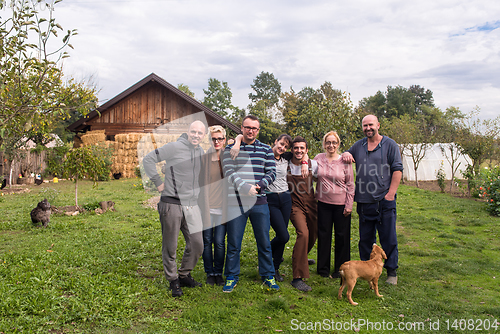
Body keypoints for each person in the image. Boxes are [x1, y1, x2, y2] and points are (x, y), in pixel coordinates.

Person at [142, 120, 206, 297]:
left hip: (191, 204)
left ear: (203, 135)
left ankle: (184, 274)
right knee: (170, 245)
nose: (196, 135)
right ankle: (173, 280)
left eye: (200, 133)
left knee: (197, 243)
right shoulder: (174, 147)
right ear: (188, 131)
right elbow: (148, 159)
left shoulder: (200, 151)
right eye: (193, 131)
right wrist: (158, 182)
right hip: (171, 203)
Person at [343, 115, 403, 285]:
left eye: (370, 125)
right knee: (365, 239)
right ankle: (367, 271)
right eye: (364, 125)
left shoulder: (389, 144)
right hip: (364, 201)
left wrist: (391, 193)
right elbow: (346, 154)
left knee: (388, 238)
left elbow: (397, 169)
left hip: (384, 200)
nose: (368, 128)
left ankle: (391, 271)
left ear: (378, 125)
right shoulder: (359, 145)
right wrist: (347, 153)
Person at [221, 115, 279, 293]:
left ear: (258, 130)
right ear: (242, 128)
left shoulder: (266, 149)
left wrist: (259, 186)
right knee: (234, 242)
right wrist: (244, 187)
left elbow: (271, 172)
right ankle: (231, 276)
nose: (250, 131)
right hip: (236, 203)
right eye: (247, 127)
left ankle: (268, 274)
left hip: (259, 202)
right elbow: (228, 171)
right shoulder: (230, 149)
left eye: (254, 128)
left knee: (263, 241)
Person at [314, 131, 354, 279]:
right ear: (324, 144)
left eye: (334, 142)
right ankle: (322, 269)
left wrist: (349, 205)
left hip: (341, 204)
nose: (331, 145)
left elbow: (350, 184)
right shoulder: (318, 158)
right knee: (324, 236)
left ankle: (340, 270)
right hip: (323, 204)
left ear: (338, 144)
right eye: (328, 142)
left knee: (342, 237)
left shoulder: (344, 160)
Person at [287, 136, 318, 292]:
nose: (298, 151)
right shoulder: (286, 163)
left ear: (306, 150)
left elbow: (323, 179)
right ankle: (297, 277)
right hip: (295, 205)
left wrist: (306, 161)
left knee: (313, 233)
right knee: (303, 234)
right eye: (296, 148)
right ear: (291, 149)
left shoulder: (313, 164)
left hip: (311, 204)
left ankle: (300, 258)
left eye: (302, 148)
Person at [199, 125, 227, 286]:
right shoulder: (203, 158)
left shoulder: (229, 157)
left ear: (224, 140)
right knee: (207, 240)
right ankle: (210, 272)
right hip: (207, 205)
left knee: (220, 241)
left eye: (219, 138)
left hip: (223, 206)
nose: (216, 141)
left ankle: (219, 271)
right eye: (213, 138)